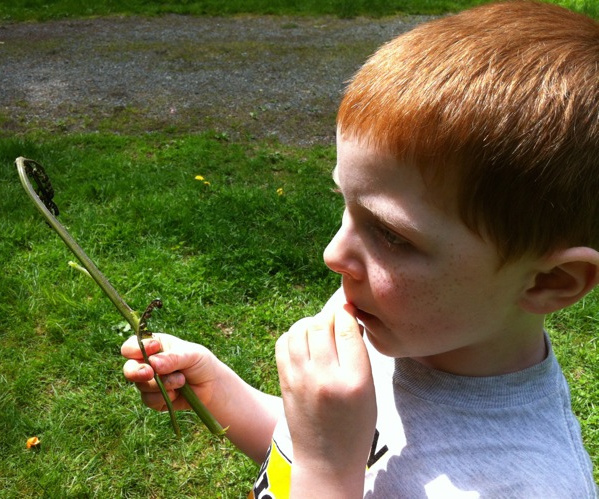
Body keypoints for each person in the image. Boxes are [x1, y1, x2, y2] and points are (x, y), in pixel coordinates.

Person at [121, 1, 599, 496]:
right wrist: (222, 393)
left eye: (391, 235)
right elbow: (308, 449)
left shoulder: (525, 486)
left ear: (549, 282)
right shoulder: (394, 325)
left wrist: (328, 471)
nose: (333, 254)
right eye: (345, 206)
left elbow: (333, 461)